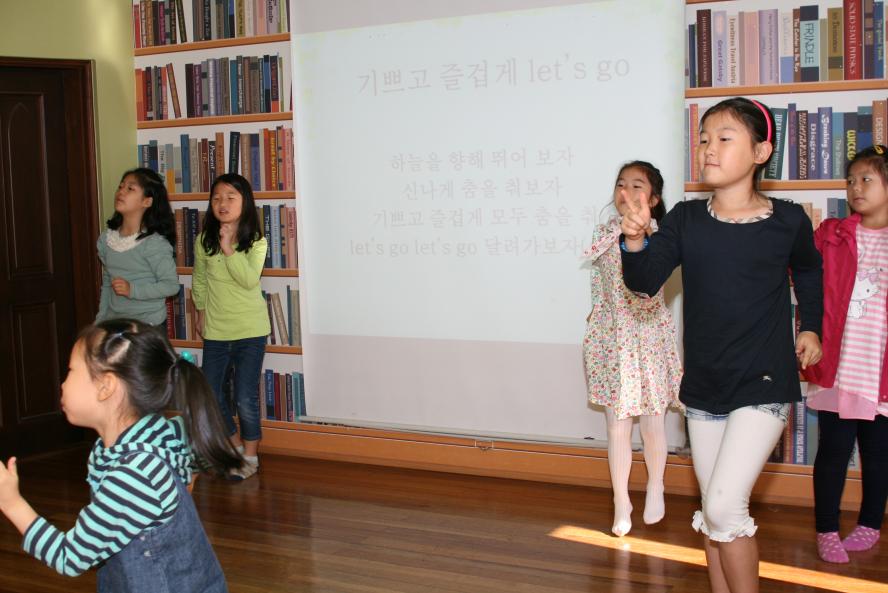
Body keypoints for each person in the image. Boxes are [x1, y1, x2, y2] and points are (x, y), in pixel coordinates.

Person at [620, 97, 823, 593]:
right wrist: (635, 241)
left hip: (764, 382)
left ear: (761, 152)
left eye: (724, 138)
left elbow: (809, 270)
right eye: (704, 139)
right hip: (704, 387)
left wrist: (811, 326)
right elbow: (644, 282)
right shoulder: (685, 219)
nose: (708, 148)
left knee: (724, 506)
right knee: (714, 514)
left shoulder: (788, 220)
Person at [0, 319, 241, 592]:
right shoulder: (151, 433)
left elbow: (70, 557)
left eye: (71, 371)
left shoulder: (134, 473)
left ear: (106, 386)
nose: (63, 384)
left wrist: (11, 503)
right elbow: (192, 439)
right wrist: (187, 476)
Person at [582, 160, 682, 537]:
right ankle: (621, 501)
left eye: (637, 185)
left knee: (653, 424)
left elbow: (651, 288)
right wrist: (595, 321)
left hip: (649, 336)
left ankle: (656, 486)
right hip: (611, 340)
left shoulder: (662, 236)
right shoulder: (603, 233)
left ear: (653, 198)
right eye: (621, 183)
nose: (626, 191)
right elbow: (599, 287)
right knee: (617, 427)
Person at [803, 144, 888, 564]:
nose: (856, 187)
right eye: (851, 180)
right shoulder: (833, 235)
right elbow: (802, 272)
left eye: (867, 179)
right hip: (841, 370)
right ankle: (826, 528)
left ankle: (871, 523)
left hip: (881, 375)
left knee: (878, 455)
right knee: (833, 453)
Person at [192, 173, 270, 480]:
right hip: (216, 331)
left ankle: (251, 456)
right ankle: (235, 447)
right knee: (211, 394)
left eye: (230, 197)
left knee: (244, 397)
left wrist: (228, 248)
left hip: (250, 330)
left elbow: (249, 280)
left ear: (244, 202)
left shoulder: (257, 241)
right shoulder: (204, 240)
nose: (222, 203)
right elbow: (199, 280)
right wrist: (200, 312)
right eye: (216, 198)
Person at [96, 168, 179, 327]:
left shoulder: (154, 243)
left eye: (130, 188)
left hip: (148, 325)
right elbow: (107, 283)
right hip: (116, 324)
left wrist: (132, 290)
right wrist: (100, 320)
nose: (121, 192)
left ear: (147, 201)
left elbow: (171, 286)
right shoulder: (106, 240)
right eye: (121, 186)